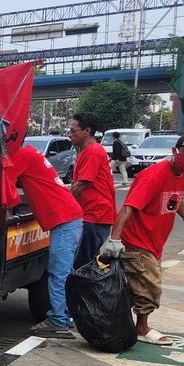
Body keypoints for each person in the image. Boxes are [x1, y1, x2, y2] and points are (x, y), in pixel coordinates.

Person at [99, 132, 184, 345]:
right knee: (150, 285)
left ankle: (120, 323)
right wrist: (115, 238)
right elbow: (129, 206)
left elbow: (175, 197)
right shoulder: (154, 175)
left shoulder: (183, 174)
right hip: (136, 242)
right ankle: (142, 327)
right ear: (174, 151)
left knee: (135, 287)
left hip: (154, 241)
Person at [9, 142, 84, 339]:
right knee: (64, 273)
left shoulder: (22, 155)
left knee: (58, 274)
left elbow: (4, 184)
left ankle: (58, 321)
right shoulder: (30, 152)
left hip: (64, 221)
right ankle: (64, 317)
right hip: (70, 218)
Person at [69, 112, 116, 268]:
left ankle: (82, 293)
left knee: (84, 266)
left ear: (86, 131)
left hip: (95, 216)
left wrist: (61, 203)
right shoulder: (87, 151)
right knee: (87, 263)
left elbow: (82, 185)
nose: (70, 135)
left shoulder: (93, 151)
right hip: (91, 216)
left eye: (73, 131)